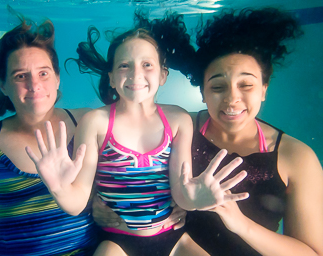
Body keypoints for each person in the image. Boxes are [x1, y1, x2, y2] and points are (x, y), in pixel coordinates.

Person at [26, 11, 249, 256]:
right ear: (110, 77)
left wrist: (195, 199)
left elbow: (180, 193)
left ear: (163, 75)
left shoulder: (177, 120)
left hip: (173, 238)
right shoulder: (96, 123)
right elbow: (78, 202)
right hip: (117, 242)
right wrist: (59, 189)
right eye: (124, 66)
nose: (135, 75)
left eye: (147, 65)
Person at [0, 15, 98, 255]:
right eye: (20, 76)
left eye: (43, 73)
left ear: (57, 79)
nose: (34, 85)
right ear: (2, 85)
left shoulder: (89, 122)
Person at [182, 8, 323, 256]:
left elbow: (312, 252)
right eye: (217, 87)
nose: (232, 99)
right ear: (202, 93)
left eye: (246, 84)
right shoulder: (177, 128)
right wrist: (102, 205)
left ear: (264, 89)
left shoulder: (297, 157)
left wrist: (241, 225)